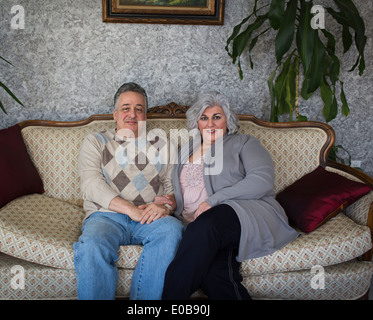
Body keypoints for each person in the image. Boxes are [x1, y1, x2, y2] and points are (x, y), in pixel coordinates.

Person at [162, 91, 299, 300]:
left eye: (217, 117)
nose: (210, 123)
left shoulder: (244, 142)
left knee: (205, 227)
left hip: (242, 212)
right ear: (197, 123)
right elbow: (181, 189)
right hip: (202, 226)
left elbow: (262, 180)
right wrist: (167, 203)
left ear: (228, 120)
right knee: (215, 275)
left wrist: (212, 201)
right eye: (204, 118)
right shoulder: (185, 150)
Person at [74, 82, 183, 300]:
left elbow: (173, 190)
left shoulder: (163, 145)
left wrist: (166, 207)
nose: (132, 114)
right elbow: (91, 184)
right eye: (125, 108)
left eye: (139, 109)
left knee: (172, 230)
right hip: (106, 217)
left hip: (149, 218)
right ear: (115, 114)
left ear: (145, 116)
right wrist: (131, 210)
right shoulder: (96, 142)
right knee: (92, 245)